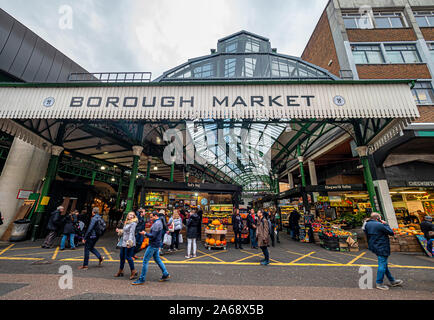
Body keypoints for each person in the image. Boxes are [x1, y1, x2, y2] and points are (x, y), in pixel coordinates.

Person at [364, 212, 403, 290]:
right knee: (382, 264)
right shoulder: (380, 225)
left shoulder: (367, 224)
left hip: (374, 246)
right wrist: (385, 224)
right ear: (377, 218)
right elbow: (391, 232)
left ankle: (392, 281)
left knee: (384, 264)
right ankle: (379, 283)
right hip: (382, 246)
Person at [132, 211, 170, 285]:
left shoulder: (157, 224)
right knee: (157, 259)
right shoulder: (159, 222)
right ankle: (165, 274)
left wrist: (145, 233)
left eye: (151, 217)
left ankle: (141, 279)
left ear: (156, 216)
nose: (150, 218)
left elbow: (153, 235)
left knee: (145, 261)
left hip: (153, 245)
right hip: (156, 244)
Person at [115, 211, 138, 279]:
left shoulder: (133, 223)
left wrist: (129, 243)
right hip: (124, 242)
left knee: (128, 257)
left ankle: (133, 271)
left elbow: (131, 233)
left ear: (134, 217)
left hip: (129, 242)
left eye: (132, 215)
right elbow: (125, 231)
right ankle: (120, 271)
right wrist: (119, 231)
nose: (130, 216)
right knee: (122, 256)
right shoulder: (127, 222)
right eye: (129, 215)